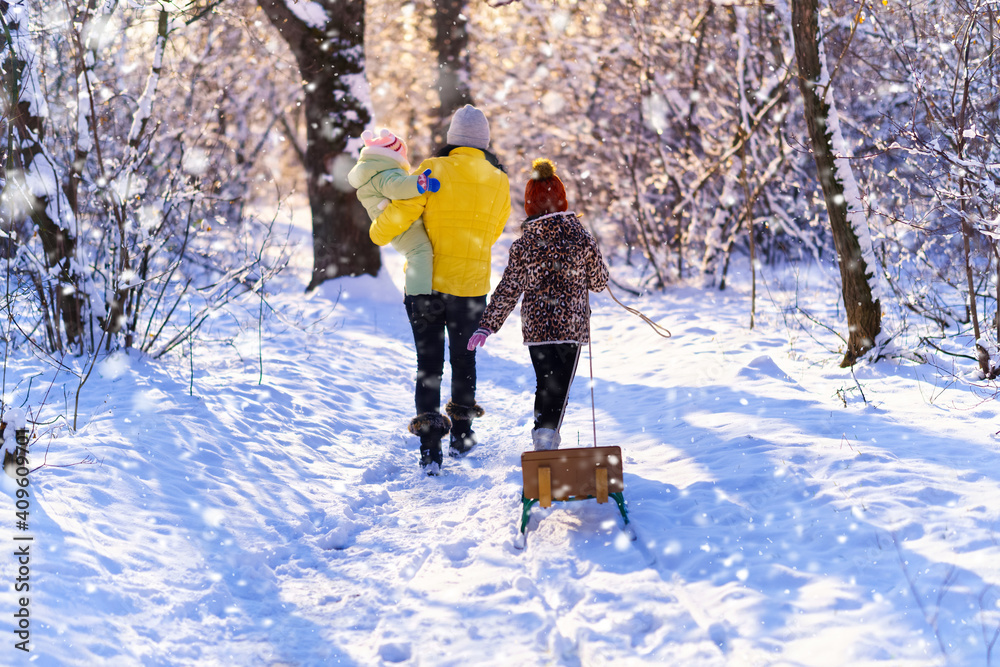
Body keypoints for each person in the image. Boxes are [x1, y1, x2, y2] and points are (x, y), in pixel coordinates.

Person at [370, 105, 511, 474]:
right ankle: (462, 435)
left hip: (426, 286)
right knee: (464, 361)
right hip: (471, 288)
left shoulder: (433, 169)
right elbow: (494, 232)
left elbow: (404, 214)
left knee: (428, 365)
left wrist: (378, 227)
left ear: (451, 138)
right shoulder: (499, 180)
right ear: (484, 142)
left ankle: (430, 448)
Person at [467, 158, 609, 452]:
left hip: (537, 328)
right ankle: (545, 445)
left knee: (546, 384)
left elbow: (509, 288)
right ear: (562, 199)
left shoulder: (524, 245)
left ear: (529, 204)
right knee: (560, 389)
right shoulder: (581, 238)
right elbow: (598, 281)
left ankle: (542, 440)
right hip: (570, 327)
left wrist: (487, 325)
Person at [348, 128, 440, 296]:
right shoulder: (385, 175)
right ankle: (419, 298)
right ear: (394, 155)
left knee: (419, 253)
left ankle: (419, 292)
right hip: (400, 226)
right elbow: (396, 188)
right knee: (420, 252)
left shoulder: (376, 172)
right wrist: (418, 184)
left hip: (396, 223)